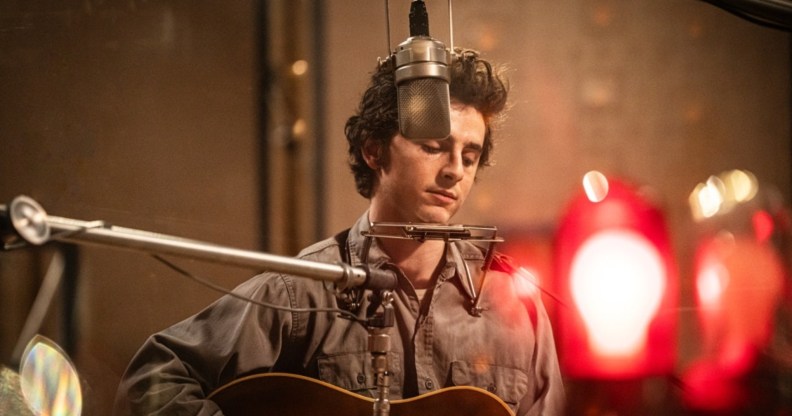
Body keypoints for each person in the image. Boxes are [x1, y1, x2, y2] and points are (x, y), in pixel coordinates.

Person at [113, 47, 565, 416]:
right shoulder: (302, 291)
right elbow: (149, 381)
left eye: (470, 156)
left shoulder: (516, 307)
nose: (454, 172)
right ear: (373, 150)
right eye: (433, 147)